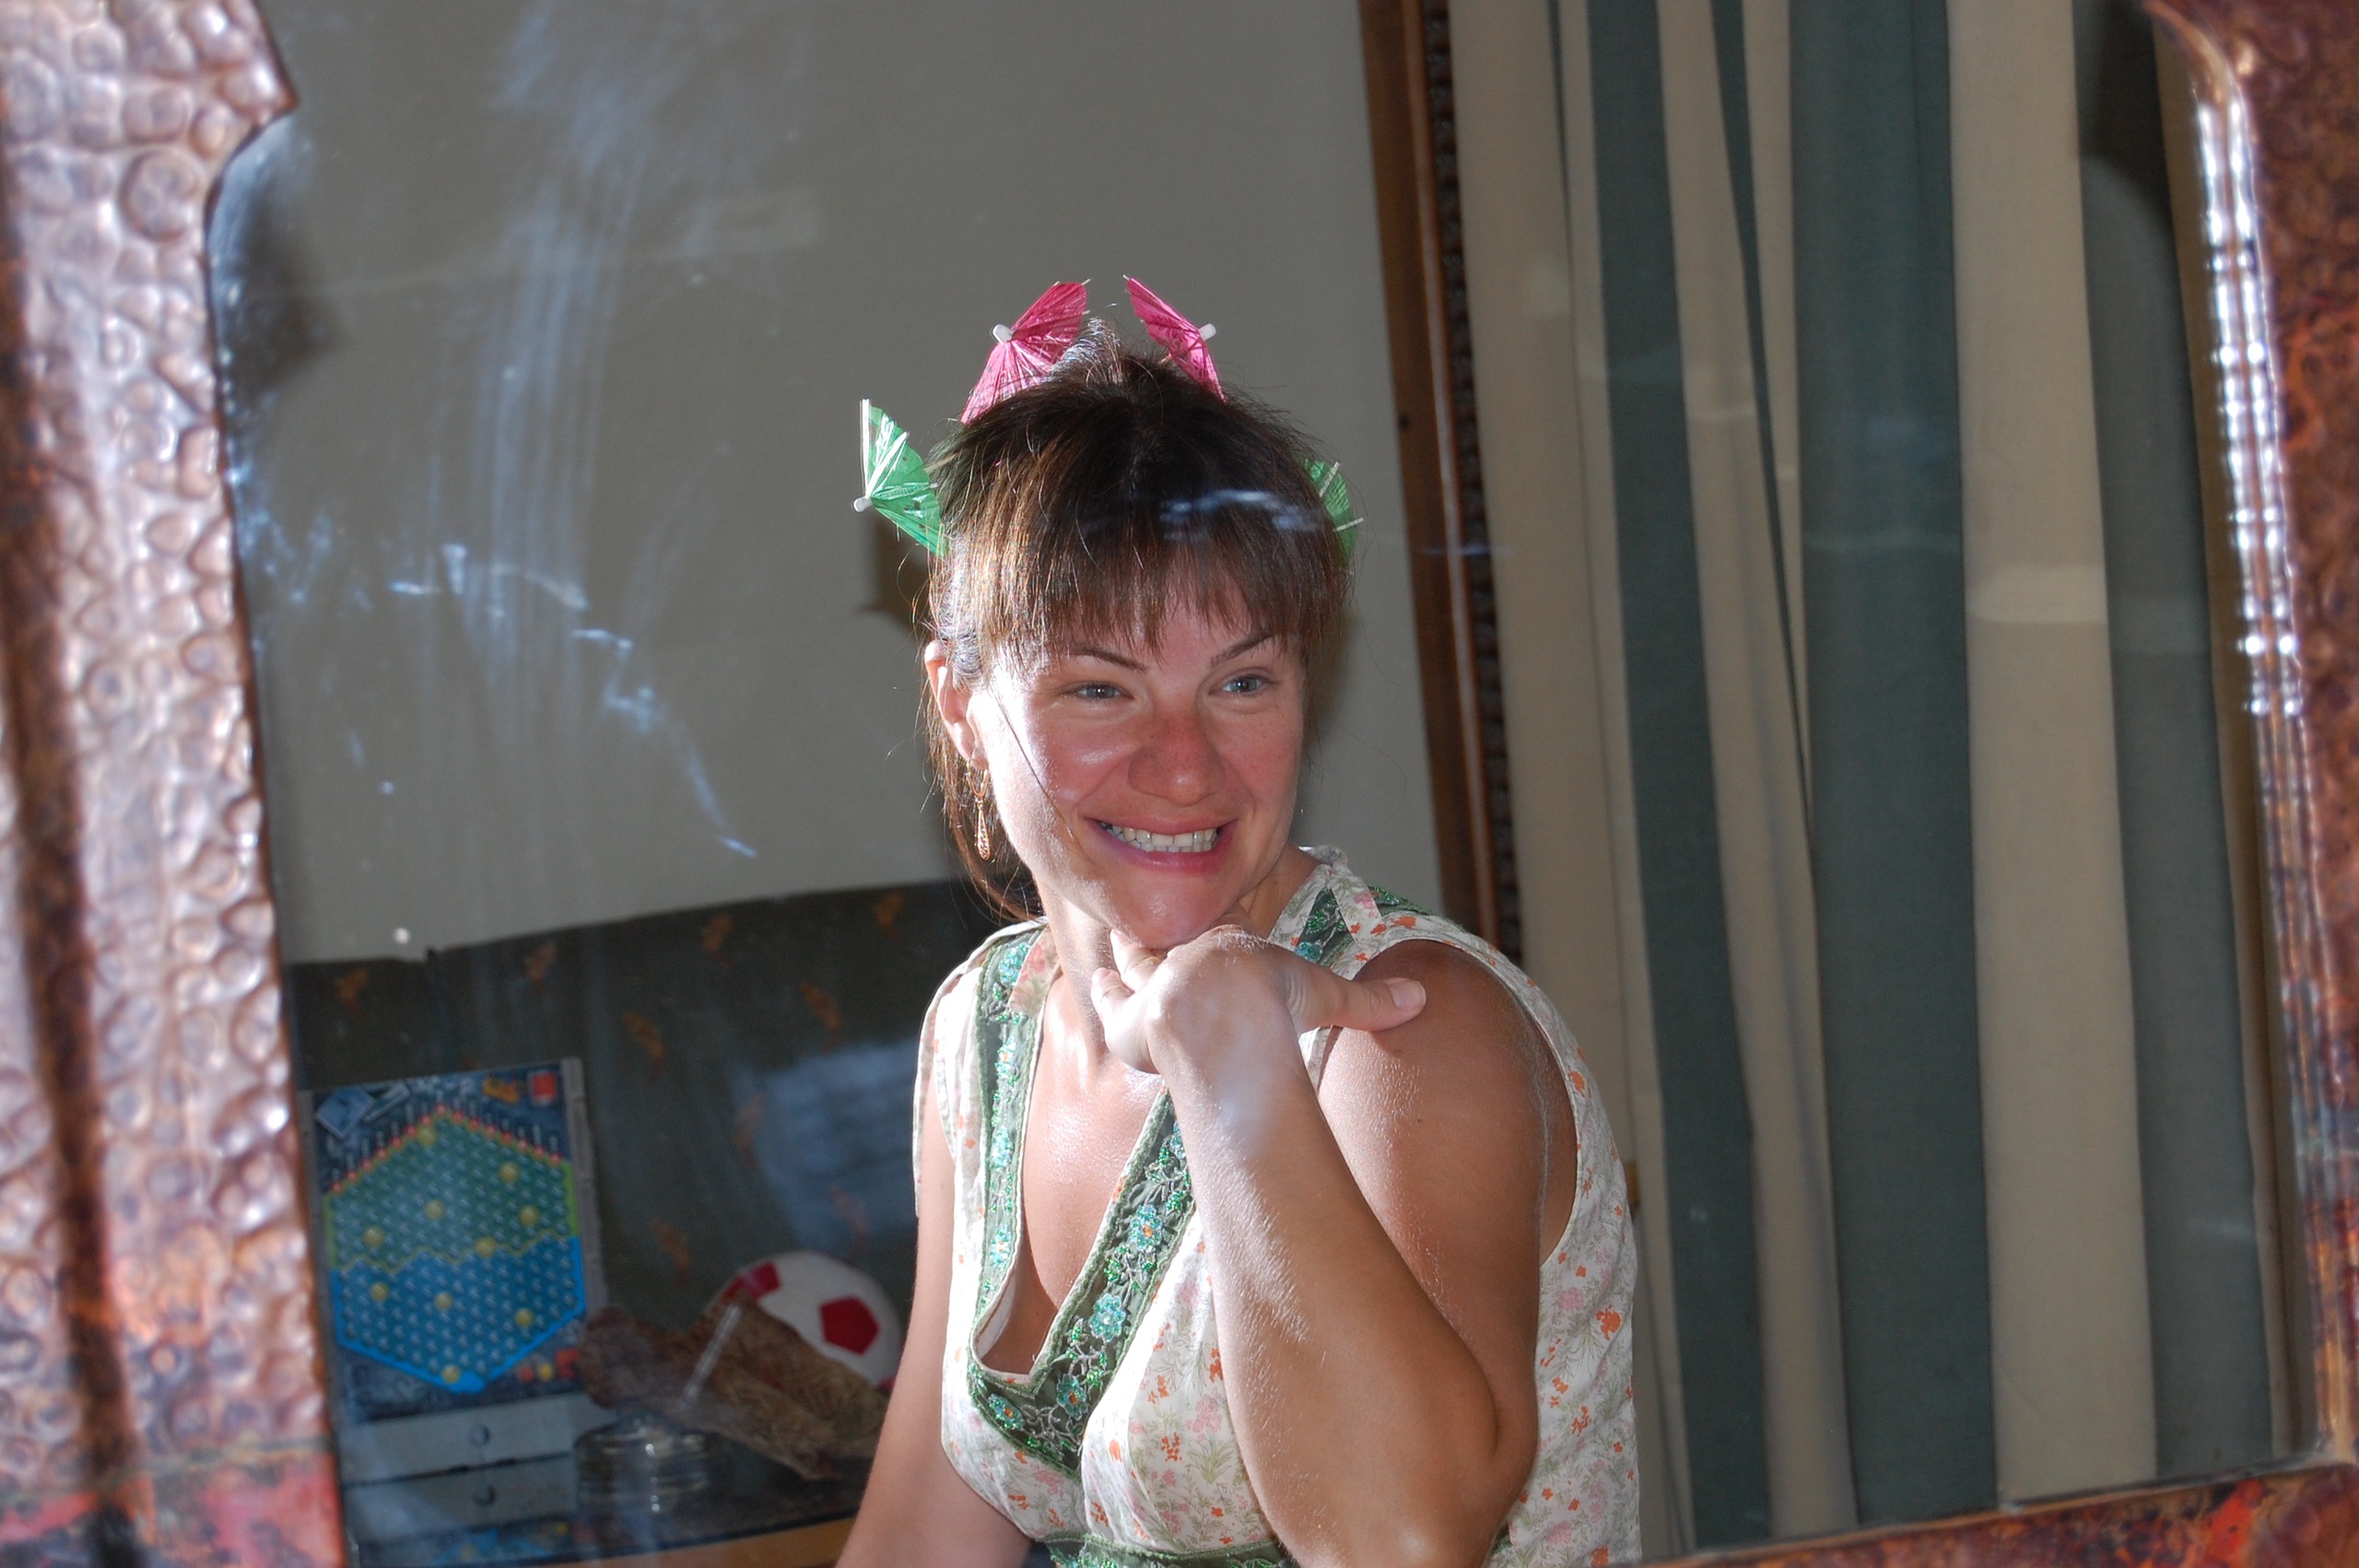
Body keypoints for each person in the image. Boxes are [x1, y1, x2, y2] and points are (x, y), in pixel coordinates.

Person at [838, 287, 1637, 1568]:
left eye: (1243, 682)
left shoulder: (1410, 1032)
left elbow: (1403, 1541)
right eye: (1100, 689)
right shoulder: (984, 1026)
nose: (1186, 766)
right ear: (962, 704)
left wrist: (1234, 1060)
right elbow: (925, 1542)